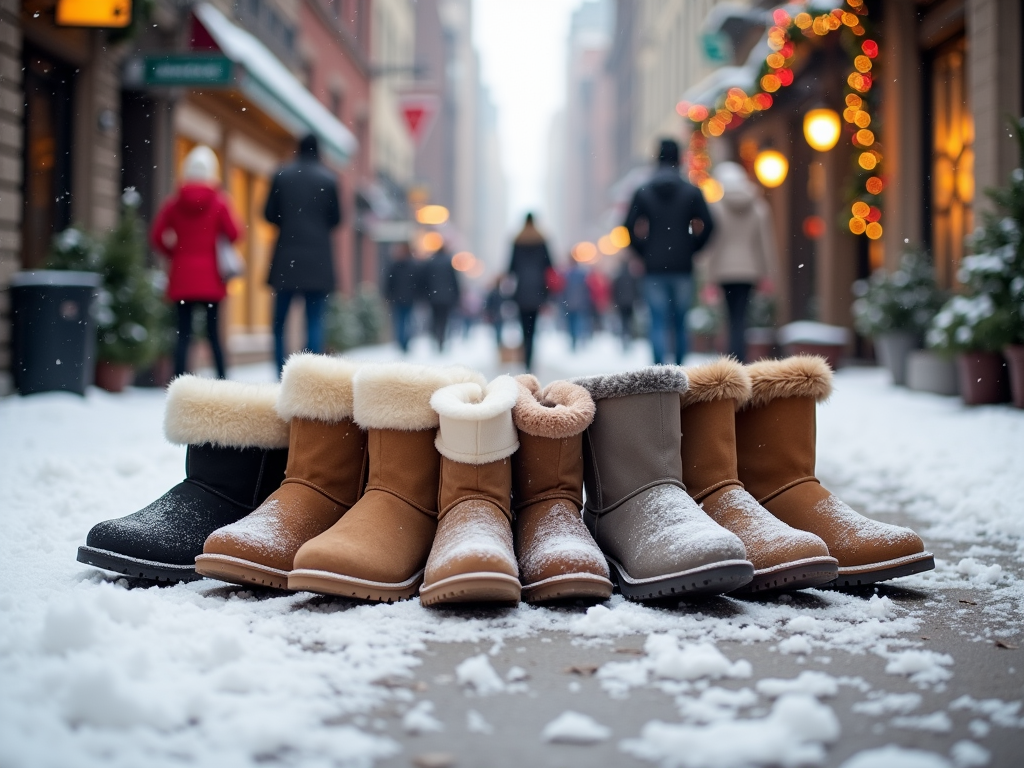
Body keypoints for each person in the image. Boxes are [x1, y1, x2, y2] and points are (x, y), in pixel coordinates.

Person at [151, 145, 240, 380]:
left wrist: (175, 253)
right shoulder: (220, 202)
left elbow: (156, 236)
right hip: (211, 279)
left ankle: (179, 383)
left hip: (182, 277)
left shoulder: (173, 202)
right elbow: (235, 234)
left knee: (183, 334)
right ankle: (222, 381)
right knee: (213, 335)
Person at [624, 138, 715, 365]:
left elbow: (628, 227)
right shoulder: (691, 191)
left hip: (654, 266)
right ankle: (679, 372)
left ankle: (658, 373)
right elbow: (710, 224)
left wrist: (644, 251)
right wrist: (692, 247)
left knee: (657, 321)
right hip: (682, 265)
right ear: (679, 158)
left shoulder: (643, 192)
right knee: (680, 321)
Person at [264, 134, 341, 374]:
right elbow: (337, 219)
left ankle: (280, 371)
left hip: (287, 256)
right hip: (318, 260)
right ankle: (310, 375)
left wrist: (289, 223)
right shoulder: (329, 179)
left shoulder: (282, 175)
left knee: (279, 322)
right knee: (315, 321)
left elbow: (268, 214)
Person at [702, 161, 778, 361]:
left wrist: (708, 277)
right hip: (749, 270)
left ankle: (732, 358)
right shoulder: (759, 207)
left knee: (729, 316)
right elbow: (765, 244)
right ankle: (740, 357)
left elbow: (712, 246)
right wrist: (768, 275)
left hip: (723, 271)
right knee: (741, 316)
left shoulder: (716, 208)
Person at [507, 212, 552, 371]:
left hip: (521, 292)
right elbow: (550, 265)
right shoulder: (542, 240)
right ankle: (530, 360)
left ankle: (526, 359)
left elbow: (510, 267)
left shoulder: (517, 241)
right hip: (538, 290)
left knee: (524, 328)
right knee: (533, 328)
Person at [422, 245, 461, 351]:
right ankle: (441, 338)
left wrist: (425, 294)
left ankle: (436, 335)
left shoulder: (431, 262)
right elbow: (454, 280)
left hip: (433, 297)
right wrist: (457, 295)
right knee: (444, 319)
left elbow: (425, 280)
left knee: (435, 318)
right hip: (447, 297)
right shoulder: (448, 262)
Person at [384, 241, 419, 353]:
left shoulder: (395, 265)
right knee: (407, 320)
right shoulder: (412, 265)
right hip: (408, 298)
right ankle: (404, 342)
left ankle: (401, 341)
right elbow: (416, 283)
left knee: (400, 320)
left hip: (398, 298)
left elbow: (389, 282)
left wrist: (388, 295)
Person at [561, 259, 591, 351]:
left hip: (569, 304)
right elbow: (587, 289)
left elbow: (562, 291)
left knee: (572, 323)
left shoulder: (566, 275)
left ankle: (574, 341)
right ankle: (581, 339)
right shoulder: (582, 275)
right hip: (580, 304)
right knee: (580, 322)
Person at [612, 258, 640, 349]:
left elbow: (614, 291)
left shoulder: (618, 277)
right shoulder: (632, 277)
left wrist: (615, 301)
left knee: (623, 321)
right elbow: (636, 290)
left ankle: (624, 337)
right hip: (630, 303)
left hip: (621, 303)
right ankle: (629, 337)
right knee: (630, 321)